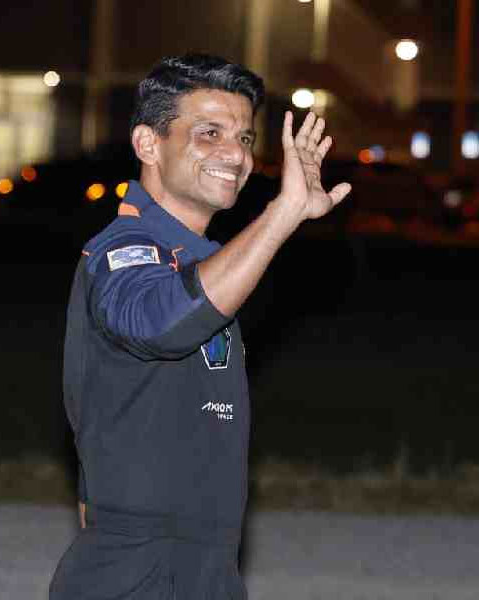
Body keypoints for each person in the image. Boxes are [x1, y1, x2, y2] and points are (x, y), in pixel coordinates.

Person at [49, 54, 351, 600]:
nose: (236, 154)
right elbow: (161, 324)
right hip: (139, 570)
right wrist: (282, 214)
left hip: (207, 563)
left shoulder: (208, 261)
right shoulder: (123, 250)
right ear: (148, 144)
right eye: (209, 133)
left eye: (244, 137)